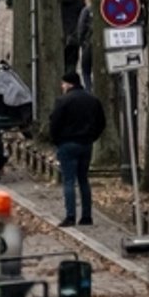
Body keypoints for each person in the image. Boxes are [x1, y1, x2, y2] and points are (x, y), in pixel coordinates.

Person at [48, 71, 106, 226]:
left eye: (63, 84)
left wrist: (56, 140)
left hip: (67, 143)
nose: (62, 86)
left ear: (68, 84)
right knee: (83, 180)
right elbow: (101, 122)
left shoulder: (63, 101)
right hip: (86, 143)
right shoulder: (93, 100)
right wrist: (92, 137)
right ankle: (87, 216)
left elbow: (54, 123)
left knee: (68, 180)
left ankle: (70, 216)